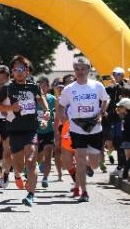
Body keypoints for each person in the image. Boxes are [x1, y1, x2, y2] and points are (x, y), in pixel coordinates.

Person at [0, 55, 50, 207]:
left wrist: (46, 112)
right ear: (12, 72)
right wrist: (10, 108)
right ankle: (18, 175)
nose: (18, 72)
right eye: (15, 69)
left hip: (31, 130)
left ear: (27, 71)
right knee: (19, 166)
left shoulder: (33, 86)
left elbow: (41, 98)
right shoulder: (7, 88)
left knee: (31, 161)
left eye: (22, 69)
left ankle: (31, 195)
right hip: (14, 131)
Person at [58, 56, 109, 202]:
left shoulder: (97, 85)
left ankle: (88, 165)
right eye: (77, 69)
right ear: (74, 71)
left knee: (95, 163)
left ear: (88, 70)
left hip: (94, 127)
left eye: (83, 69)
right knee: (79, 159)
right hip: (77, 127)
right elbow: (61, 106)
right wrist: (63, 118)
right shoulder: (69, 89)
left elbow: (105, 99)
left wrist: (101, 113)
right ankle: (84, 192)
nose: (80, 72)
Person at [105, 67, 127, 177]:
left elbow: (126, 91)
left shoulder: (125, 85)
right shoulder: (110, 87)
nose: (116, 76)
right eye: (114, 74)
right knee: (117, 143)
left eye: (118, 74)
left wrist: (117, 85)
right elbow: (103, 95)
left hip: (123, 119)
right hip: (113, 119)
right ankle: (120, 166)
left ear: (122, 75)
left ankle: (122, 167)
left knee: (122, 143)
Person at [36, 76, 56, 188]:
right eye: (40, 85)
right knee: (37, 157)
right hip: (35, 132)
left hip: (49, 131)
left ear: (48, 87)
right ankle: (35, 165)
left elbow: (58, 115)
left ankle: (45, 178)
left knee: (48, 155)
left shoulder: (53, 99)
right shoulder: (34, 99)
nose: (42, 88)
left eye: (44, 85)